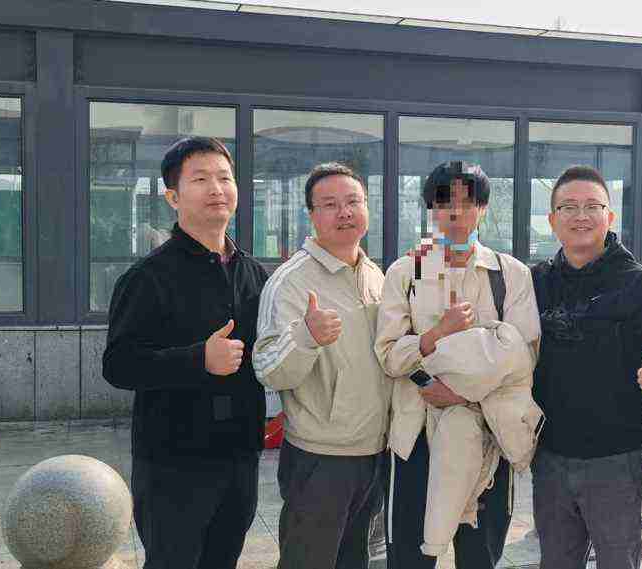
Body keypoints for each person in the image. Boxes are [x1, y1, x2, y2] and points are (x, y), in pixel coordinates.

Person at [103, 136, 268, 569]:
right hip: (174, 461)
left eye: (225, 178)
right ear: (173, 197)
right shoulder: (148, 277)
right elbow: (119, 364)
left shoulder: (254, 273)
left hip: (240, 454)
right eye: (200, 179)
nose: (217, 188)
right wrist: (199, 360)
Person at [375, 161, 542, 568]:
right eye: (445, 202)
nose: (456, 212)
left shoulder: (510, 274)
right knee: (410, 557)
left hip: (488, 435)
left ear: (483, 208)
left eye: (468, 203)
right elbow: (389, 354)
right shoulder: (406, 271)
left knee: (479, 557)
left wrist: (462, 392)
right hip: (416, 437)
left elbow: (524, 357)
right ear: (431, 209)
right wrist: (436, 335)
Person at [530, 165, 642, 569]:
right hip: (549, 458)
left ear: (610, 216)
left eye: (592, 206)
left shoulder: (637, 282)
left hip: (615, 461)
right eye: (568, 207)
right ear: (552, 219)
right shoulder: (536, 282)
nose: (580, 216)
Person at [253, 162, 390, 569]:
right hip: (321, 456)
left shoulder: (374, 275)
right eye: (329, 204)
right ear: (311, 215)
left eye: (353, 202)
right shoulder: (291, 281)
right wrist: (306, 337)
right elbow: (268, 369)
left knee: (355, 560)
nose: (344, 212)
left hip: (373, 450)